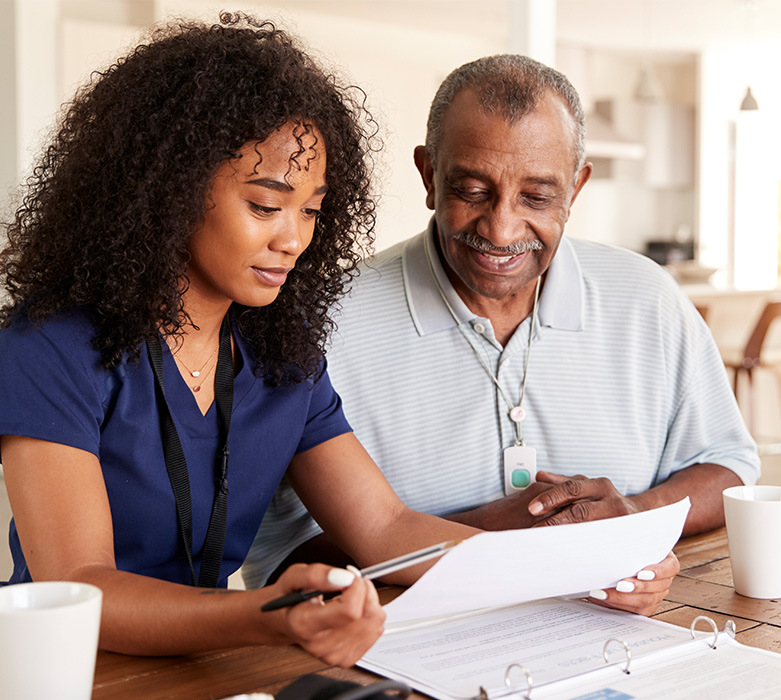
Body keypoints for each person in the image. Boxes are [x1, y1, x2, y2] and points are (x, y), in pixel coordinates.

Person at [0, 13, 488, 662]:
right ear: (168, 188)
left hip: (206, 668)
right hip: (64, 672)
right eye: (265, 205)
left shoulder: (283, 357)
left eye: (311, 211)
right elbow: (80, 587)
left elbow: (385, 527)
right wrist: (272, 613)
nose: (293, 240)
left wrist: (565, 573)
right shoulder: (49, 346)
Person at [243, 55, 758, 589]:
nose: (502, 228)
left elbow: (729, 465)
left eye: (537, 196)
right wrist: (491, 535)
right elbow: (283, 558)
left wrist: (631, 518)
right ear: (428, 175)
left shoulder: (649, 298)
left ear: (576, 189)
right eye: (472, 191)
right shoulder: (322, 319)